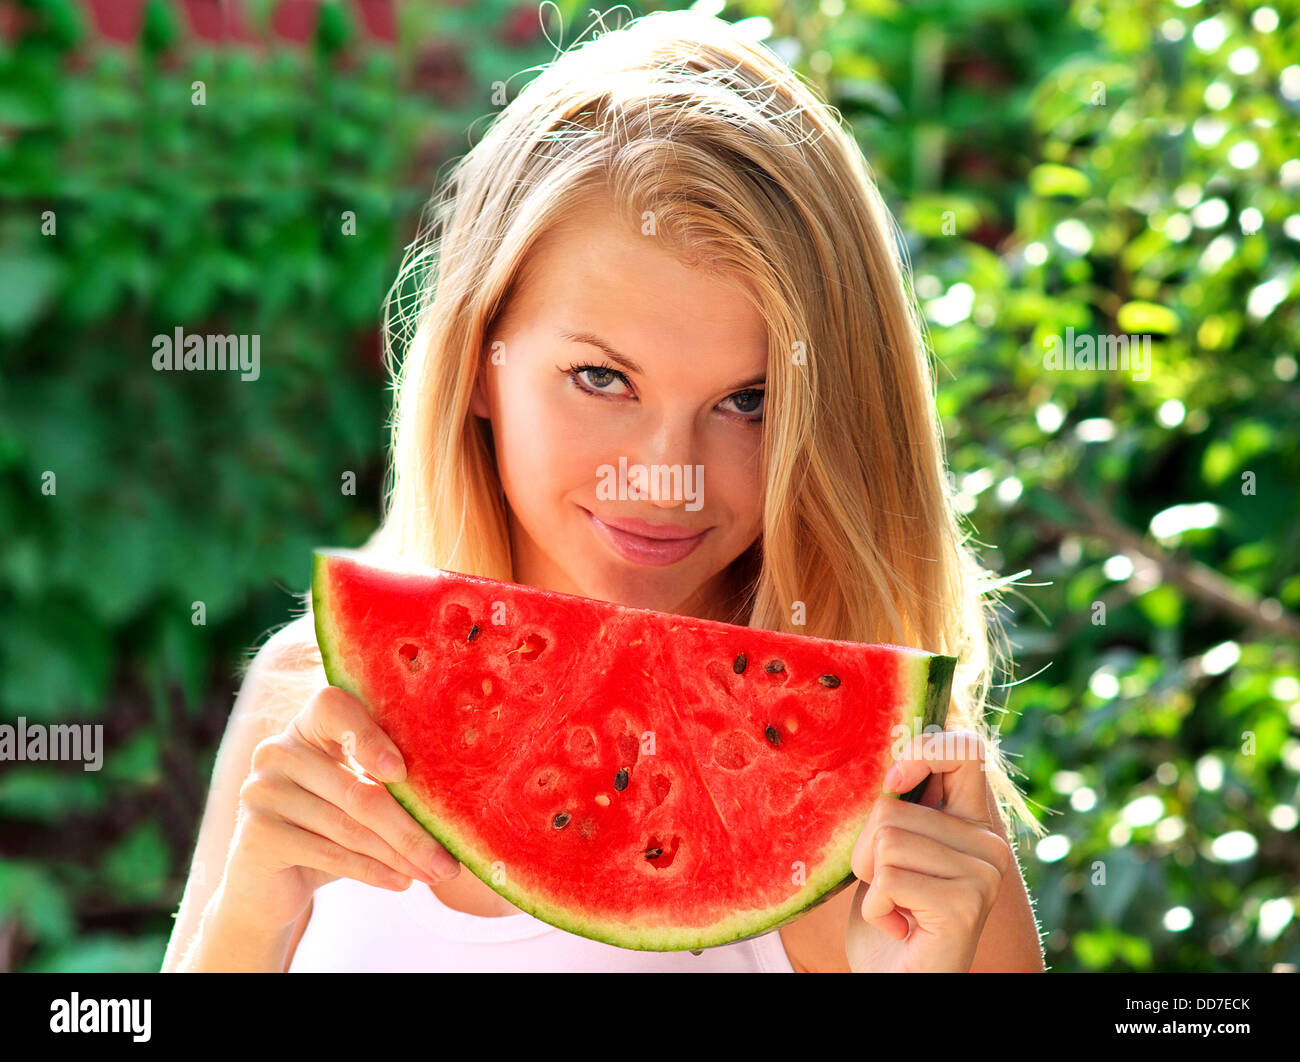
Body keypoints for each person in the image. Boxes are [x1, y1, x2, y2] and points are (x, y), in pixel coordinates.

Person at [162, 7, 1046, 973]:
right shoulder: (304, 701)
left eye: (749, 401)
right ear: (480, 364)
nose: (666, 477)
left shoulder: (899, 802)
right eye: (601, 380)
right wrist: (251, 923)